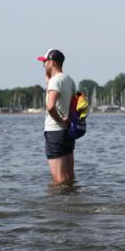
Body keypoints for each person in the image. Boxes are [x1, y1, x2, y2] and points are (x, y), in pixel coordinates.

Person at [39, 48, 77, 184]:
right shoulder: (69, 80)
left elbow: (50, 106)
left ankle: (57, 205)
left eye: (45, 62)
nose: (43, 65)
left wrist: (60, 121)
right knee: (69, 177)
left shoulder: (55, 81)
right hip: (68, 133)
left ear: (52, 62)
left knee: (58, 179)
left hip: (55, 131)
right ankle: (71, 203)